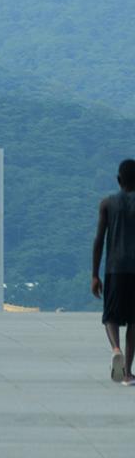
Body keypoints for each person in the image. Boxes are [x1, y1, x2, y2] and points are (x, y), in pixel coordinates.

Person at [91, 159, 135, 385]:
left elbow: (99, 240)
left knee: (111, 316)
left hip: (114, 268)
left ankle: (115, 348)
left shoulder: (107, 204)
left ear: (119, 180)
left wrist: (94, 274)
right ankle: (127, 373)